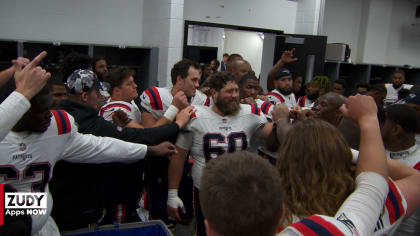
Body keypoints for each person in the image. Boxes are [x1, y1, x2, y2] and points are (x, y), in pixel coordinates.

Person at [200, 93, 403, 235]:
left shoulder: (291, 221)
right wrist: (336, 144)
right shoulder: (342, 225)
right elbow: (378, 182)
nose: (315, 108)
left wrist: (302, 134)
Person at [0, 83, 177, 235]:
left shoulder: (57, 125)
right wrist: (41, 202)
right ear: (20, 110)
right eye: (42, 110)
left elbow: (100, 146)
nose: (50, 114)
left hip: (44, 228)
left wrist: (148, 150)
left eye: (49, 107)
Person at [50, 69, 191, 230]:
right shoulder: (105, 112)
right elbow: (137, 137)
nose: (101, 97)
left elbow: (131, 138)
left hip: (69, 200)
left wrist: (137, 136)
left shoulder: (68, 116)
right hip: (79, 203)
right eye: (97, 93)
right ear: (84, 96)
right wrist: (177, 121)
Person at [276, 94, 420, 235]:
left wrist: (313, 144)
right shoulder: (377, 208)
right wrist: (335, 149)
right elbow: (414, 179)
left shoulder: (274, 220)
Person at [167, 72, 276, 236]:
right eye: (229, 91)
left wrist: (284, 121)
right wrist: (172, 193)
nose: (235, 96)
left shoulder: (251, 112)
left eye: (236, 91)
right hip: (206, 190)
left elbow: (273, 137)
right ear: (214, 93)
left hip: (241, 188)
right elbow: (178, 156)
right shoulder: (194, 115)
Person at [139, 59, 210, 224]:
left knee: (186, 215)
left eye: (199, 80)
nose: (197, 85)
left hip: (187, 163)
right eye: (193, 80)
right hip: (159, 162)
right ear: (179, 79)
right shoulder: (155, 96)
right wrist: (173, 109)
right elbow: (150, 136)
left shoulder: (203, 100)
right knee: (158, 216)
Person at [382, 104, 420, 235]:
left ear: (396, 129)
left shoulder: (417, 163)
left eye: (382, 121)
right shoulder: (377, 150)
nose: (377, 125)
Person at [0, 52, 51, 142]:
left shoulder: (61, 123)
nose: (49, 115)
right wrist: (24, 92)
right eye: (41, 111)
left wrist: (14, 70)